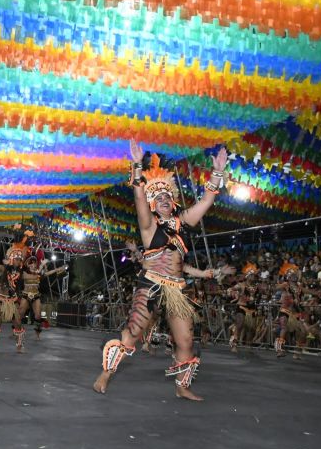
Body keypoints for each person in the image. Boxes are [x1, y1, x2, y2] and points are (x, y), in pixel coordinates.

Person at [93, 144, 227, 401]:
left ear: (173, 200)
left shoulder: (184, 222)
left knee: (185, 341)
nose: (164, 199)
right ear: (154, 204)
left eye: (167, 196)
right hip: (151, 285)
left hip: (177, 288)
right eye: (159, 197)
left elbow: (207, 200)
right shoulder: (148, 226)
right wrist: (137, 166)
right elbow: (139, 198)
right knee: (132, 334)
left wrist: (217, 173)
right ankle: (106, 374)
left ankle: (182, 386)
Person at [0, 229, 31, 353]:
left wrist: (39, 272)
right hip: (1, 298)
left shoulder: (21, 273)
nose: (18, 261)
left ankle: (20, 346)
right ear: (11, 259)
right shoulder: (3, 268)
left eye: (19, 259)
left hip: (13, 299)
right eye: (16, 259)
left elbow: (31, 276)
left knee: (17, 323)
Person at [19, 255, 66, 343]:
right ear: (28, 265)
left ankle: (37, 335)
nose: (33, 265)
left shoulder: (38, 272)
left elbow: (48, 273)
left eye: (34, 263)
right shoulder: (25, 272)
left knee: (38, 315)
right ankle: (16, 331)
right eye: (31, 264)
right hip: (26, 294)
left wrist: (58, 269)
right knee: (21, 313)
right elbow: (30, 277)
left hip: (36, 295)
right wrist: (41, 266)